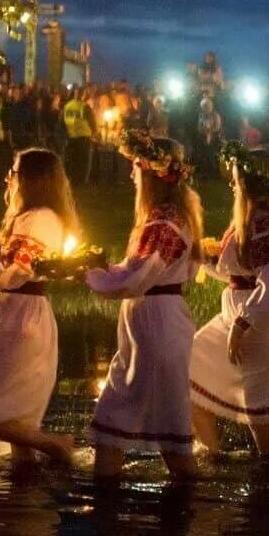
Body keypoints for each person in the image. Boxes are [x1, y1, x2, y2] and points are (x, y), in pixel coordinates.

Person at [85, 132, 202, 480]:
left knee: (164, 438)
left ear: (150, 173)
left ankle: (186, 513)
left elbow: (140, 276)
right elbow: (135, 271)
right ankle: (110, 515)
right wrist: (96, 269)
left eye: (136, 169)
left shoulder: (164, 222)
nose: (131, 176)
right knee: (117, 427)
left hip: (157, 327)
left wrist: (91, 276)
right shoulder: (163, 217)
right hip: (148, 327)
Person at [0, 148, 78, 464]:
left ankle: (54, 444)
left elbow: (12, 274)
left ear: (33, 180)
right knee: (18, 422)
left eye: (15, 171)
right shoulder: (36, 218)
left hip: (20, 320)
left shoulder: (38, 219)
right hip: (20, 315)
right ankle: (24, 502)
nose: (8, 177)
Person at [190, 145, 269, 457]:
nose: (231, 185)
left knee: (258, 408)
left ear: (250, 183)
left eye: (236, 180)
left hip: (260, 322)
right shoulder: (247, 220)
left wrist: (240, 326)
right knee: (188, 369)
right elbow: (238, 275)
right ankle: (214, 456)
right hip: (236, 314)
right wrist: (203, 259)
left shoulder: (265, 223)